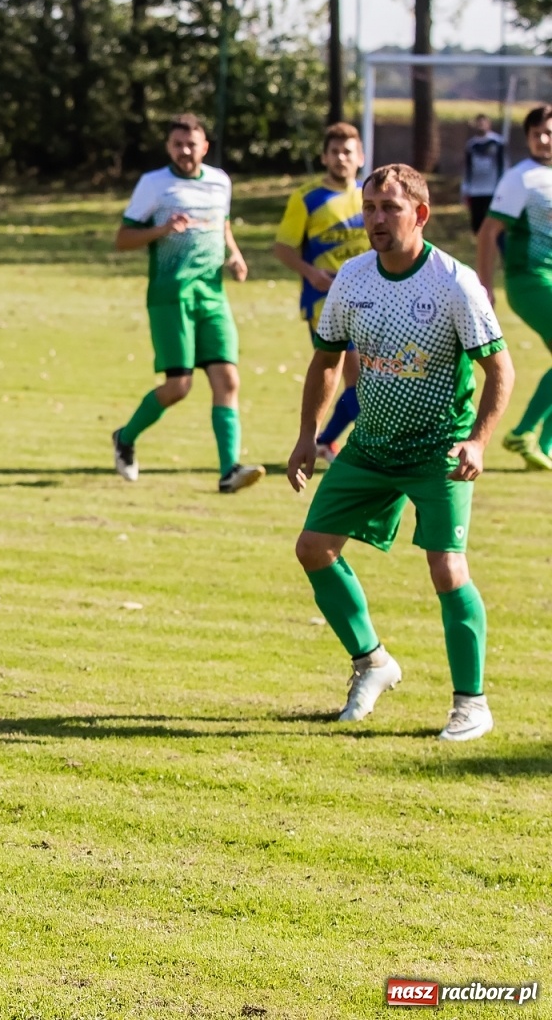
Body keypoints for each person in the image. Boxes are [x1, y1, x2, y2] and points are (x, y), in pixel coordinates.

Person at [288, 164, 513, 742]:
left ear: (421, 214)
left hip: (439, 449)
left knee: (447, 568)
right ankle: (372, 662)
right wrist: (308, 435)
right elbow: (326, 360)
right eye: (369, 208)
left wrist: (478, 441)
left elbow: (500, 370)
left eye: (390, 207)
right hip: (371, 445)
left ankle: (472, 704)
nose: (377, 219)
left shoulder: (455, 283)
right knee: (313, 548)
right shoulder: (352, 278)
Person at [111, 113, 264, 492]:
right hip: (171, 296)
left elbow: (222, 224)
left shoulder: (219, 181)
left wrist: (234, 255)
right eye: (177, 144)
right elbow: (123, 239)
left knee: (227, 379)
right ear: (168, 147)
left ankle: (229, 471)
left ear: (204, 147)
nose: (184, 151)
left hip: (212, 296)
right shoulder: (154, 184)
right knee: (179, 387)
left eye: (191, 144)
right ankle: (125, 437)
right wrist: (162, 229)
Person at [271, 122, 370, 463]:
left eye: (348, 152)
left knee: (365, 383)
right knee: (360, 381)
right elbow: (283, 248)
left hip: (369, 301)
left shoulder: (370, 197)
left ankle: (325, 442)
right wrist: (312, 273)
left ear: (360, 157)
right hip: (325, 303)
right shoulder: (308, 198)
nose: (341, 158)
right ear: (324, 157)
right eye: (335, 152)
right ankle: (332, 443)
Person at [475, 103, 552, 471]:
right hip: (529, 279)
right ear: (528, 138)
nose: (544, 140)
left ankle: (543, 447)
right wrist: (485, 285)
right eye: (538, 134)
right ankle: (523, 433)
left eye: (549, 133)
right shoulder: (520, 178)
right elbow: (488, 232)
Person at [463, 113, 508, 234]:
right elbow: (468, 168)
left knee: (493, 222)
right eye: (478, 123)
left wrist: (503, 186)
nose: (481, 126)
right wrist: (466, 188)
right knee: (477, 224)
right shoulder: (471, 145)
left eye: (483, 123)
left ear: (489, 124)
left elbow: (503, 165)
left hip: (492, 190)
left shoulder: (497, 142)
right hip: (475, 190)